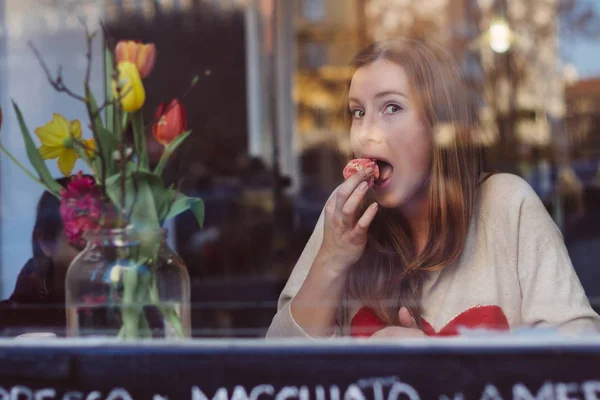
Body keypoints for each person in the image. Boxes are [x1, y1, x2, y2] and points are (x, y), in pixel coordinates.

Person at [266, 38, 600, 339]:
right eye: (357, 112)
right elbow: (272, 371)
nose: (365, 134)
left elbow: (576, 360)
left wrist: (435, 370)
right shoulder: (344, 216)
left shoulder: (507, 205)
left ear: (438, 124)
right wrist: (332, 259)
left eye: (391, 107)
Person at [0, 177, 80, 337]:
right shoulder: (9, 326)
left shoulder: (130, 313)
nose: (98, 254)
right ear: (45, 242)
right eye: (81, 244)